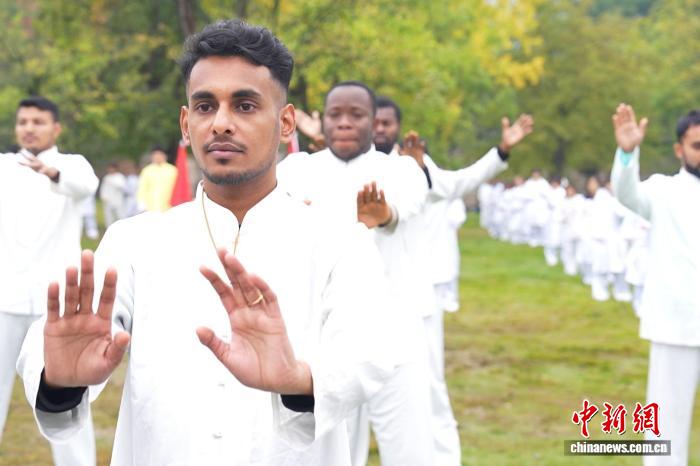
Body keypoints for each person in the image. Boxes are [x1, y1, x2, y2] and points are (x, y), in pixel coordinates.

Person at [17, 20, 400, 466]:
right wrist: (60, 382)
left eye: (245, 105)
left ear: (285, 123)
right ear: (186, 123)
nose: (221, 124)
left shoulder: (338, 239)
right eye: (204, 106)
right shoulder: (136, 241)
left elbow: (368, 351)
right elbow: (53, 349)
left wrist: (298, 380)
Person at [372, 95, 534, 465]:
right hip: (358, 298)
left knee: (428, 384)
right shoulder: (345, 163)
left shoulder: (414, 165)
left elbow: (462, 181)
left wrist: (501, 151)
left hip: (413, 296)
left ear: (397, 127)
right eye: (374, 121)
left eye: (386, 123)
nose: (379, 129)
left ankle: (443, 457)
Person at [278, 82, 433, 466]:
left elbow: (409, 204)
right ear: (323, 122)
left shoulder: (400, 169)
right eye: (335, 115)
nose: (344, 123)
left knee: (410, 449)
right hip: (326, 338)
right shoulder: (296, 170)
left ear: (373, 121)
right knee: (333, 451)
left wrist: (385, 216)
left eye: (356, 115)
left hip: (395, 332)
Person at [0, 96, 98, 466]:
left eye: (38, 122)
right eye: (23, 121)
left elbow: (85, 185)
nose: (29, 128)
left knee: (64, 392)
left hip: (54, 305)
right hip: (5, 296)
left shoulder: (71, 165)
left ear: (55, 128)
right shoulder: (4, 167)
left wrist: (51, 172)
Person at [610, 104, 700, 466]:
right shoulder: (664, 191)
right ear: (679, 149)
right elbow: (627, 194)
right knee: (666, 431)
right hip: (676, 325)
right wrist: (627, 153)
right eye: (697, 146)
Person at [136, 146, 177, 212]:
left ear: (164, 156)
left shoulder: (172, 170)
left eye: (159, 154)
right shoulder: (147, 170)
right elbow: (142, 188)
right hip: (151, 207)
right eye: (155, 155)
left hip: (170, 206)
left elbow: (177, 187)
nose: (157, 157)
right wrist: (142, 202)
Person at [99, 162, 127, 228]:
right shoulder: (107, 177)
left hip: (118, 200)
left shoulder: (120, 176)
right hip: (108, 201)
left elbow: (122, 186)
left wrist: (113, 182)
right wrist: (103, 197)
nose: (110, 170)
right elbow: (103, 188)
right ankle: (109, 229)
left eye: (111, 168)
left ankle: (123, 228)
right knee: (108, 217)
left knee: (120, 215)